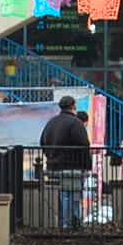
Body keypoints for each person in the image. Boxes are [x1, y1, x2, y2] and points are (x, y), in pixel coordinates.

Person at [39, 95, 91, 230]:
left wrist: (50, 157)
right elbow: (84, 145)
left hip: (53, 167)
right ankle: (70, 225)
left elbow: (42, 142)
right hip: (72, 167)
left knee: (63, 195)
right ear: (73, 105)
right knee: (72, 195)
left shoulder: (51, 122)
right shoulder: (76, 123)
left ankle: (64, 224)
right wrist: (87, 166)